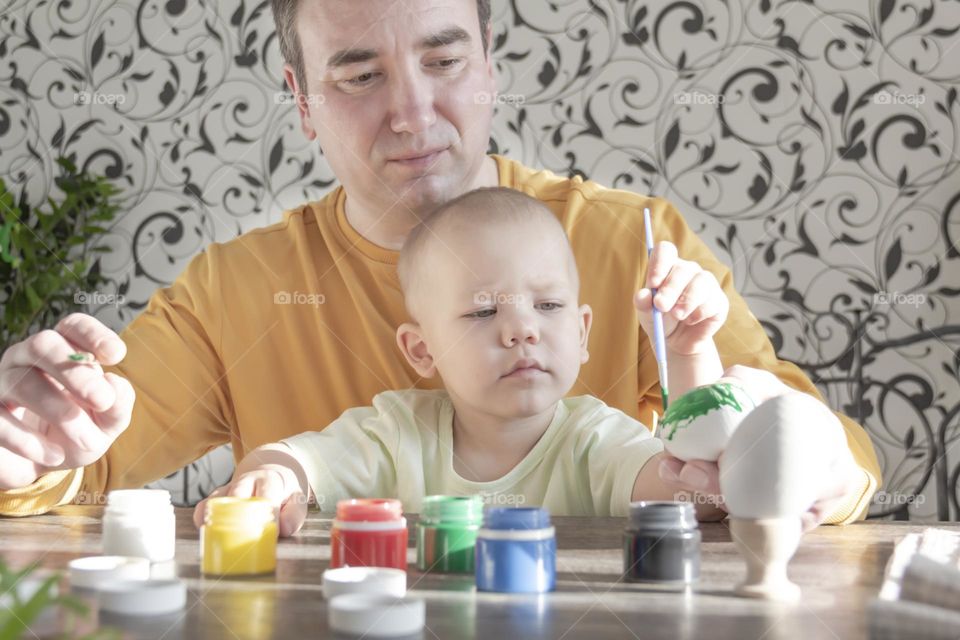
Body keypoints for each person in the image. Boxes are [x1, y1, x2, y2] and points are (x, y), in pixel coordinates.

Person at [0, 0, 878, 530]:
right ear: (302, 102)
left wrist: (812, 468)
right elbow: (75, 464)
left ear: (489, 65)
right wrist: (29, 442)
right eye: (359, 76)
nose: (413, 113)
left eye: (444, 59)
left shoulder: (636, 244)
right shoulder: (234, 291)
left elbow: (821, 449)